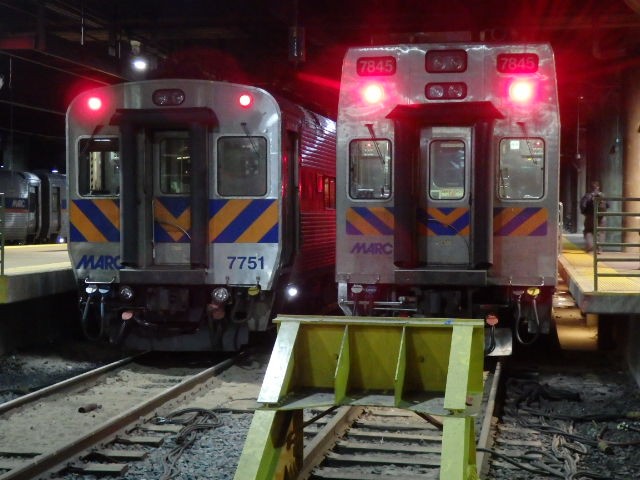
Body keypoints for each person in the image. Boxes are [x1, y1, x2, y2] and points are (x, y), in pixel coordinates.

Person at [580, 181, 609, 253]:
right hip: (602, 217)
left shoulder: (587, 196)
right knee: (601, 232)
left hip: (590, 216)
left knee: (588, 231)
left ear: (590, 187)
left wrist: (585, 213)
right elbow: (608, 205)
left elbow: (583, 206)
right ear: (598, 187)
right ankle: (599, 249)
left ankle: (590, 248)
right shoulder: (602, 195)